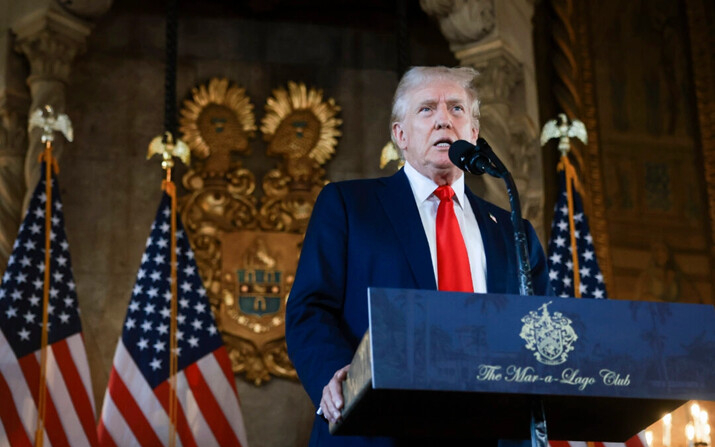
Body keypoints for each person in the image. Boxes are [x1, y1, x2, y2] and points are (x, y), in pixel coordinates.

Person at [285, 66, 552, 447]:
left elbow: (541, 329)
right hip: (380, 428)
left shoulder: (513, 232)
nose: (444, 118)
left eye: (457, 109)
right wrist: (338, 374)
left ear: (473, 134)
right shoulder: (349, 205)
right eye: (427, 109)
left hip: (493, 432)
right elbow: (309, 309)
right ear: (400, 135)